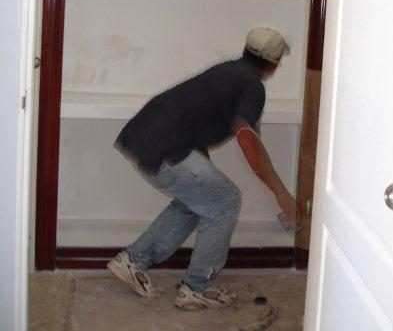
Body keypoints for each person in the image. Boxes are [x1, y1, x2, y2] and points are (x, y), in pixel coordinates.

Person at [107, 27, 297, 311]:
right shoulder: (251, 86)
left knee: (203, 199)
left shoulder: (228, 71)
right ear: (274, 62)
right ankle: (196, 288)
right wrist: (282, 194)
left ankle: (133, 261)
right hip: (164, 147)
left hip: (142, 137)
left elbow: (195, 121)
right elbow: (248, 141)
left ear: (246, 50)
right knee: (225, 200)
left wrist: (206, 174)